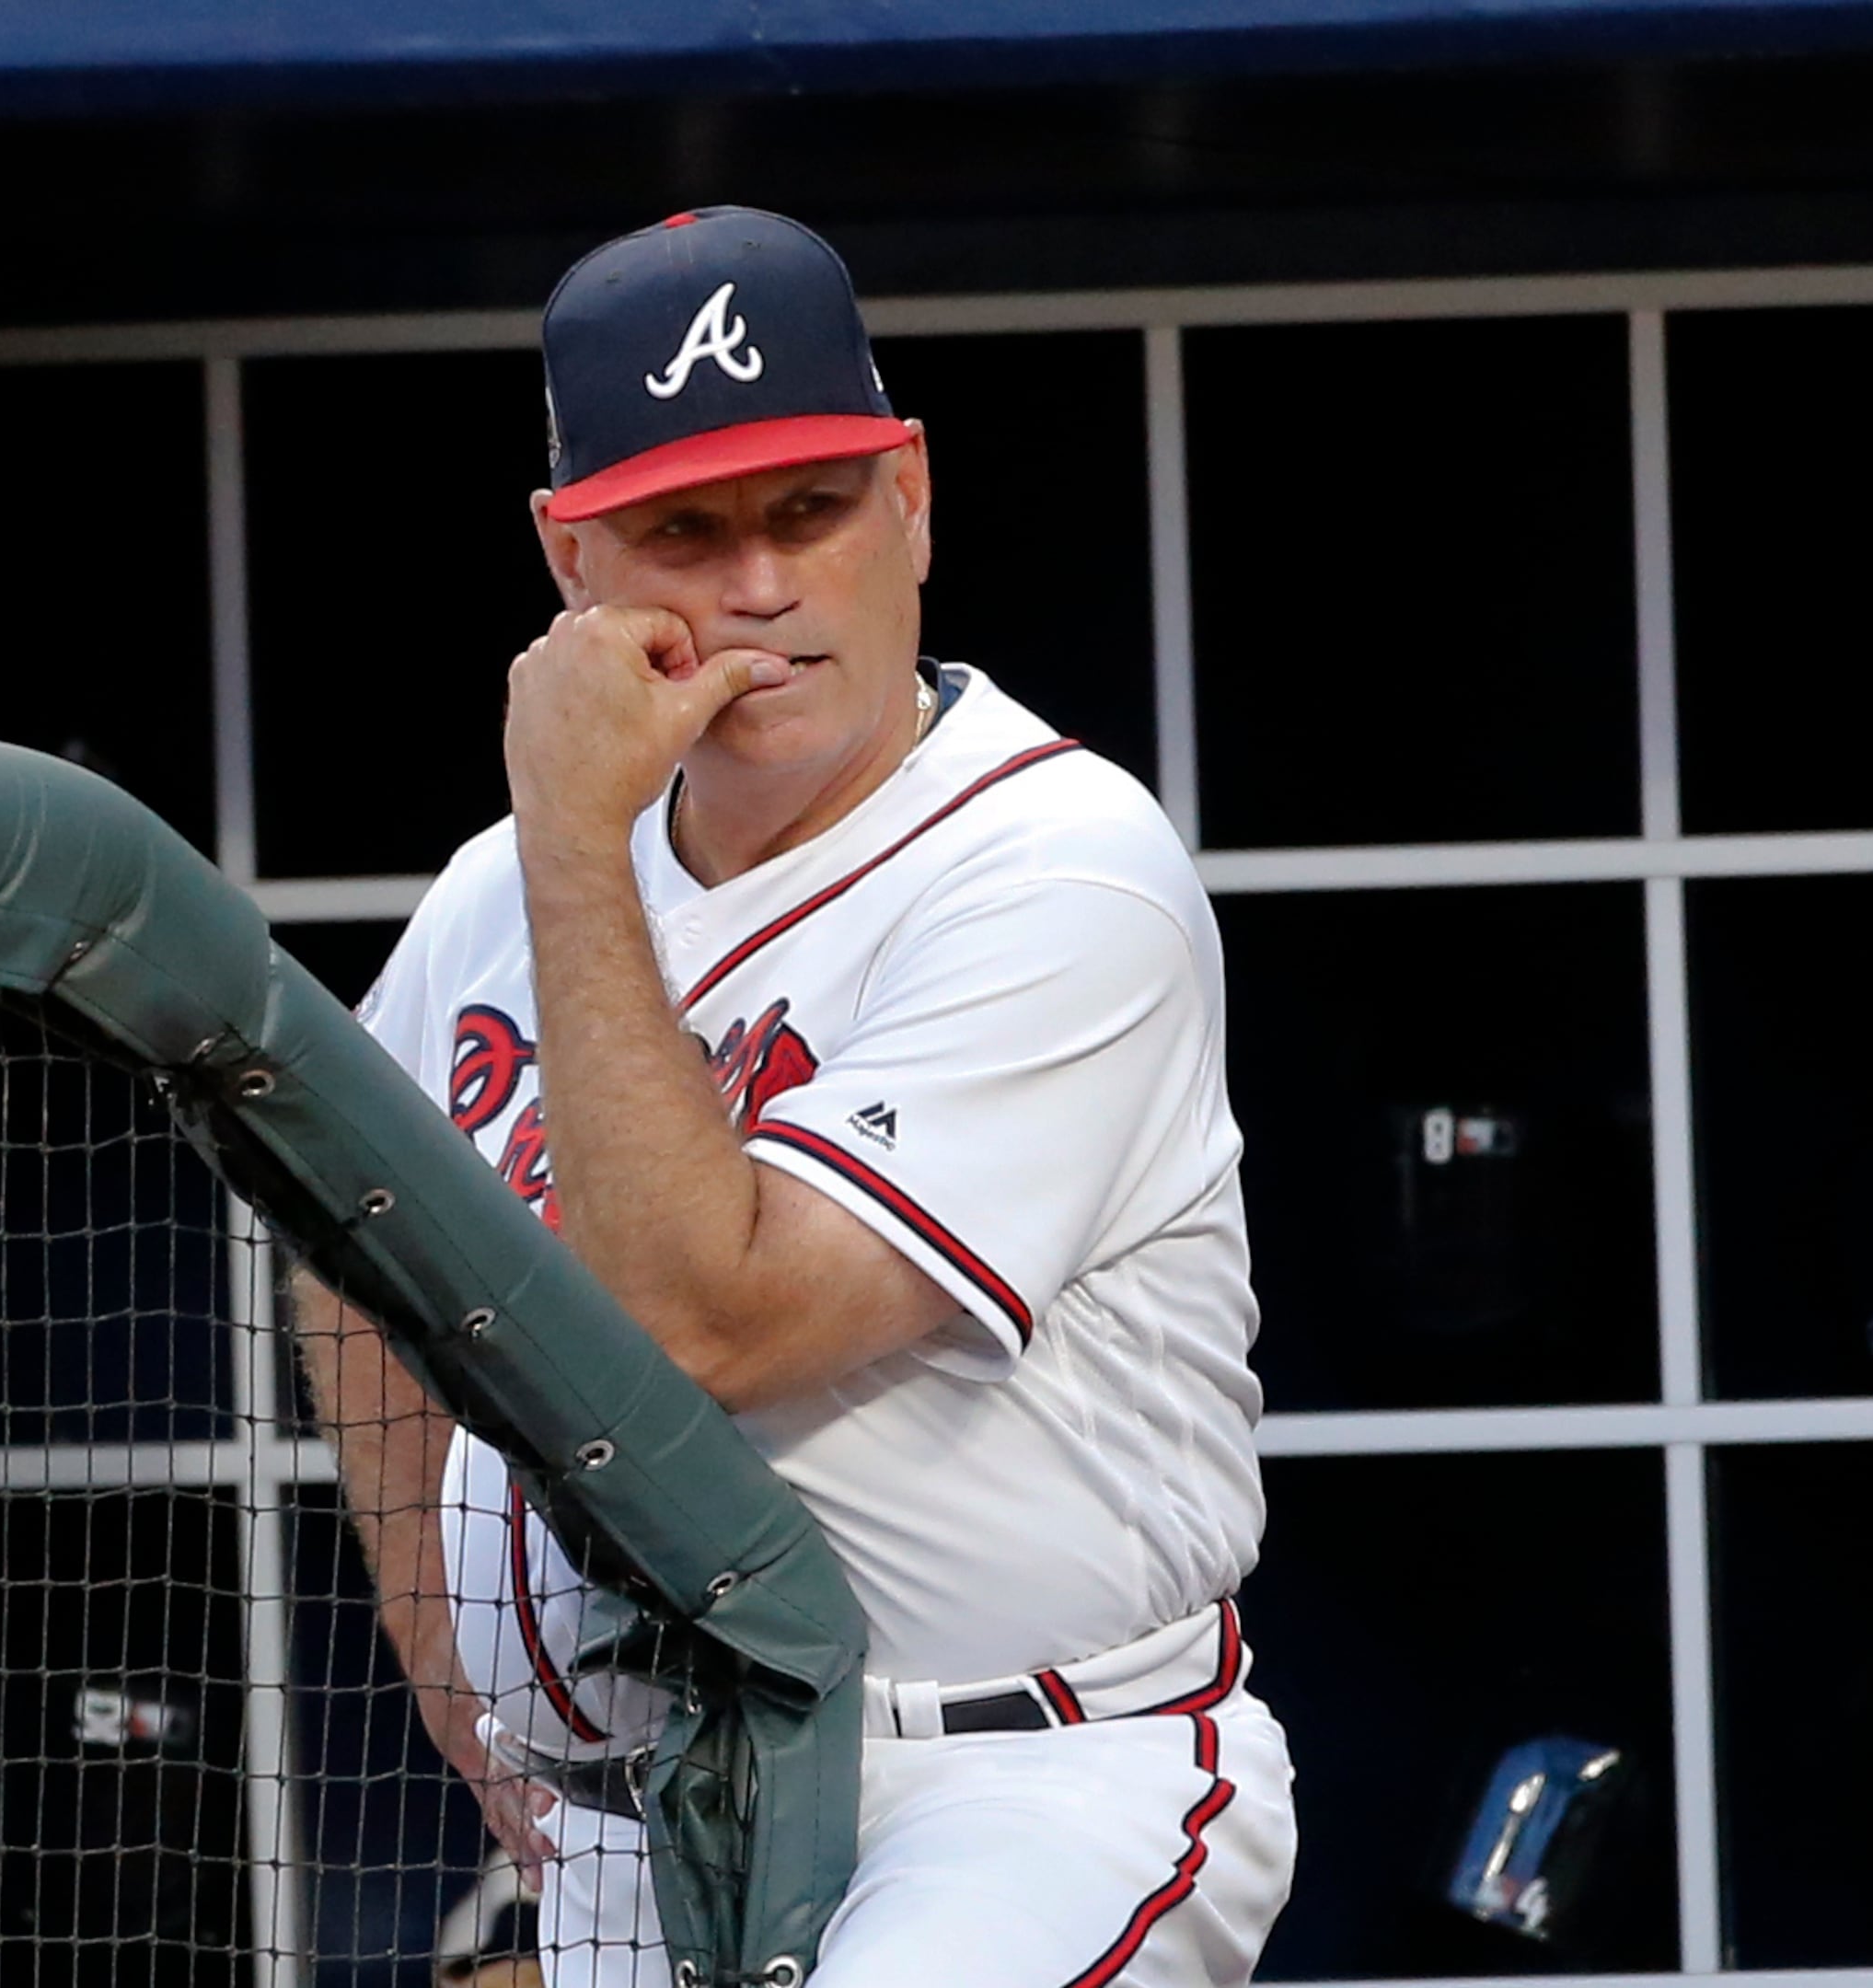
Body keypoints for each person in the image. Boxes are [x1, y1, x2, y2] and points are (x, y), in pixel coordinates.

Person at [295, 205, 1293, 1988]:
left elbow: (700, 1328)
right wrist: (444, 1654)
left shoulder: (1056, 866)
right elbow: (333, 1227)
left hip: (1011, 1780)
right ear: (568, 559)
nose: (760, 586)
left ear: (908, 497)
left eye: (810, 508)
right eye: (686, 529)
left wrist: (572, 844)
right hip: (625, 1824)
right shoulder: (497, 894)